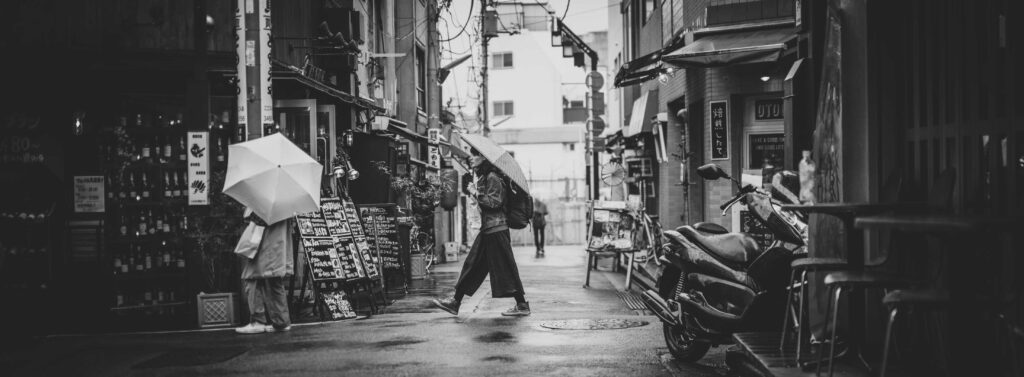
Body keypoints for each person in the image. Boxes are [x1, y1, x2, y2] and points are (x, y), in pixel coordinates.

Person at [432, 149, 530, 317]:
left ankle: (521, 304)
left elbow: (494, 203)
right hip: (490, 229)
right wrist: (477, 190)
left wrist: (476, 193)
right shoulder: (488, 176)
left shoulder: (493, 177)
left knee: (504, 267)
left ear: (484, 158)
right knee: (473, 265)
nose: (472, 158)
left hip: (496, 229)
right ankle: (455, 302)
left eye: (476, 155)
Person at [235, 209, 294, 334]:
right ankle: (281, 322)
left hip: (265, 243)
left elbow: (259, 219)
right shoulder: (286, 201)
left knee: (251, 278)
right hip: (278, 244)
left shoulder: (266, 200)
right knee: (274, 280)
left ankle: (257, 321)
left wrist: (249, 213)